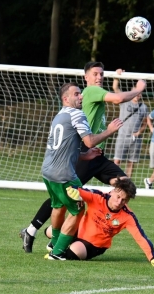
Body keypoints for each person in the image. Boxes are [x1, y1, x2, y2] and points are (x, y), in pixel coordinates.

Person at [20, 61, 147, 253]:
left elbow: (114, 94)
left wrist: (116, 78)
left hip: (95, 157)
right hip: (83, 156)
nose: (98, 77)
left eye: (101, 74)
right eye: (95, 74)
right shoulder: (90, 91)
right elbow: (118, 98)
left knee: (123, 184)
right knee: (65, 200)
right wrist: (138, 89)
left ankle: (93, 229)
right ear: (85, 77)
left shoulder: (93, 94)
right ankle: (44, 234)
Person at [42, 82, 123, 260]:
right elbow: (90, 141)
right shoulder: (77, 114)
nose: (81, 97)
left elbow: (62, 147)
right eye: (77, 94)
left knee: (58, 206)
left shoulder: (59, 115)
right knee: (77, 210)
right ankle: (57, 253)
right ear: (66, 98)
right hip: (64, 174)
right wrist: (109, 130)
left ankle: (54, 243)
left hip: (48, 172)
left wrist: (84, 156)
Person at [44, 177, 154, 268]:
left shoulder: (128, 216)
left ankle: (58, 250)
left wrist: (153, 258)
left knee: (74, 250)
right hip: (78, 232)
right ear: (113, 191)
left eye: (124, 200)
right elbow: (80, 190)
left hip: (94, 245)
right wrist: (73, 190)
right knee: (49, 230)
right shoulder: (98, 197)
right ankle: (58, 245)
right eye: (118, 197)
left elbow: (140, 237)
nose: (119, 202)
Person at [112, 69, 149, 178]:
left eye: (139, 92)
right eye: (135, 91)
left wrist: (139, 132)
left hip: (135, 139)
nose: (137, 94)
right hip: (122, 136)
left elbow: (145, 123)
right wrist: (116, 75)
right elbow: (115, 88)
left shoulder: (144, 107)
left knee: (131, 162)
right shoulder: (124, 101)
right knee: (117, 160)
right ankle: (114, 180)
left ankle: (127, 183)